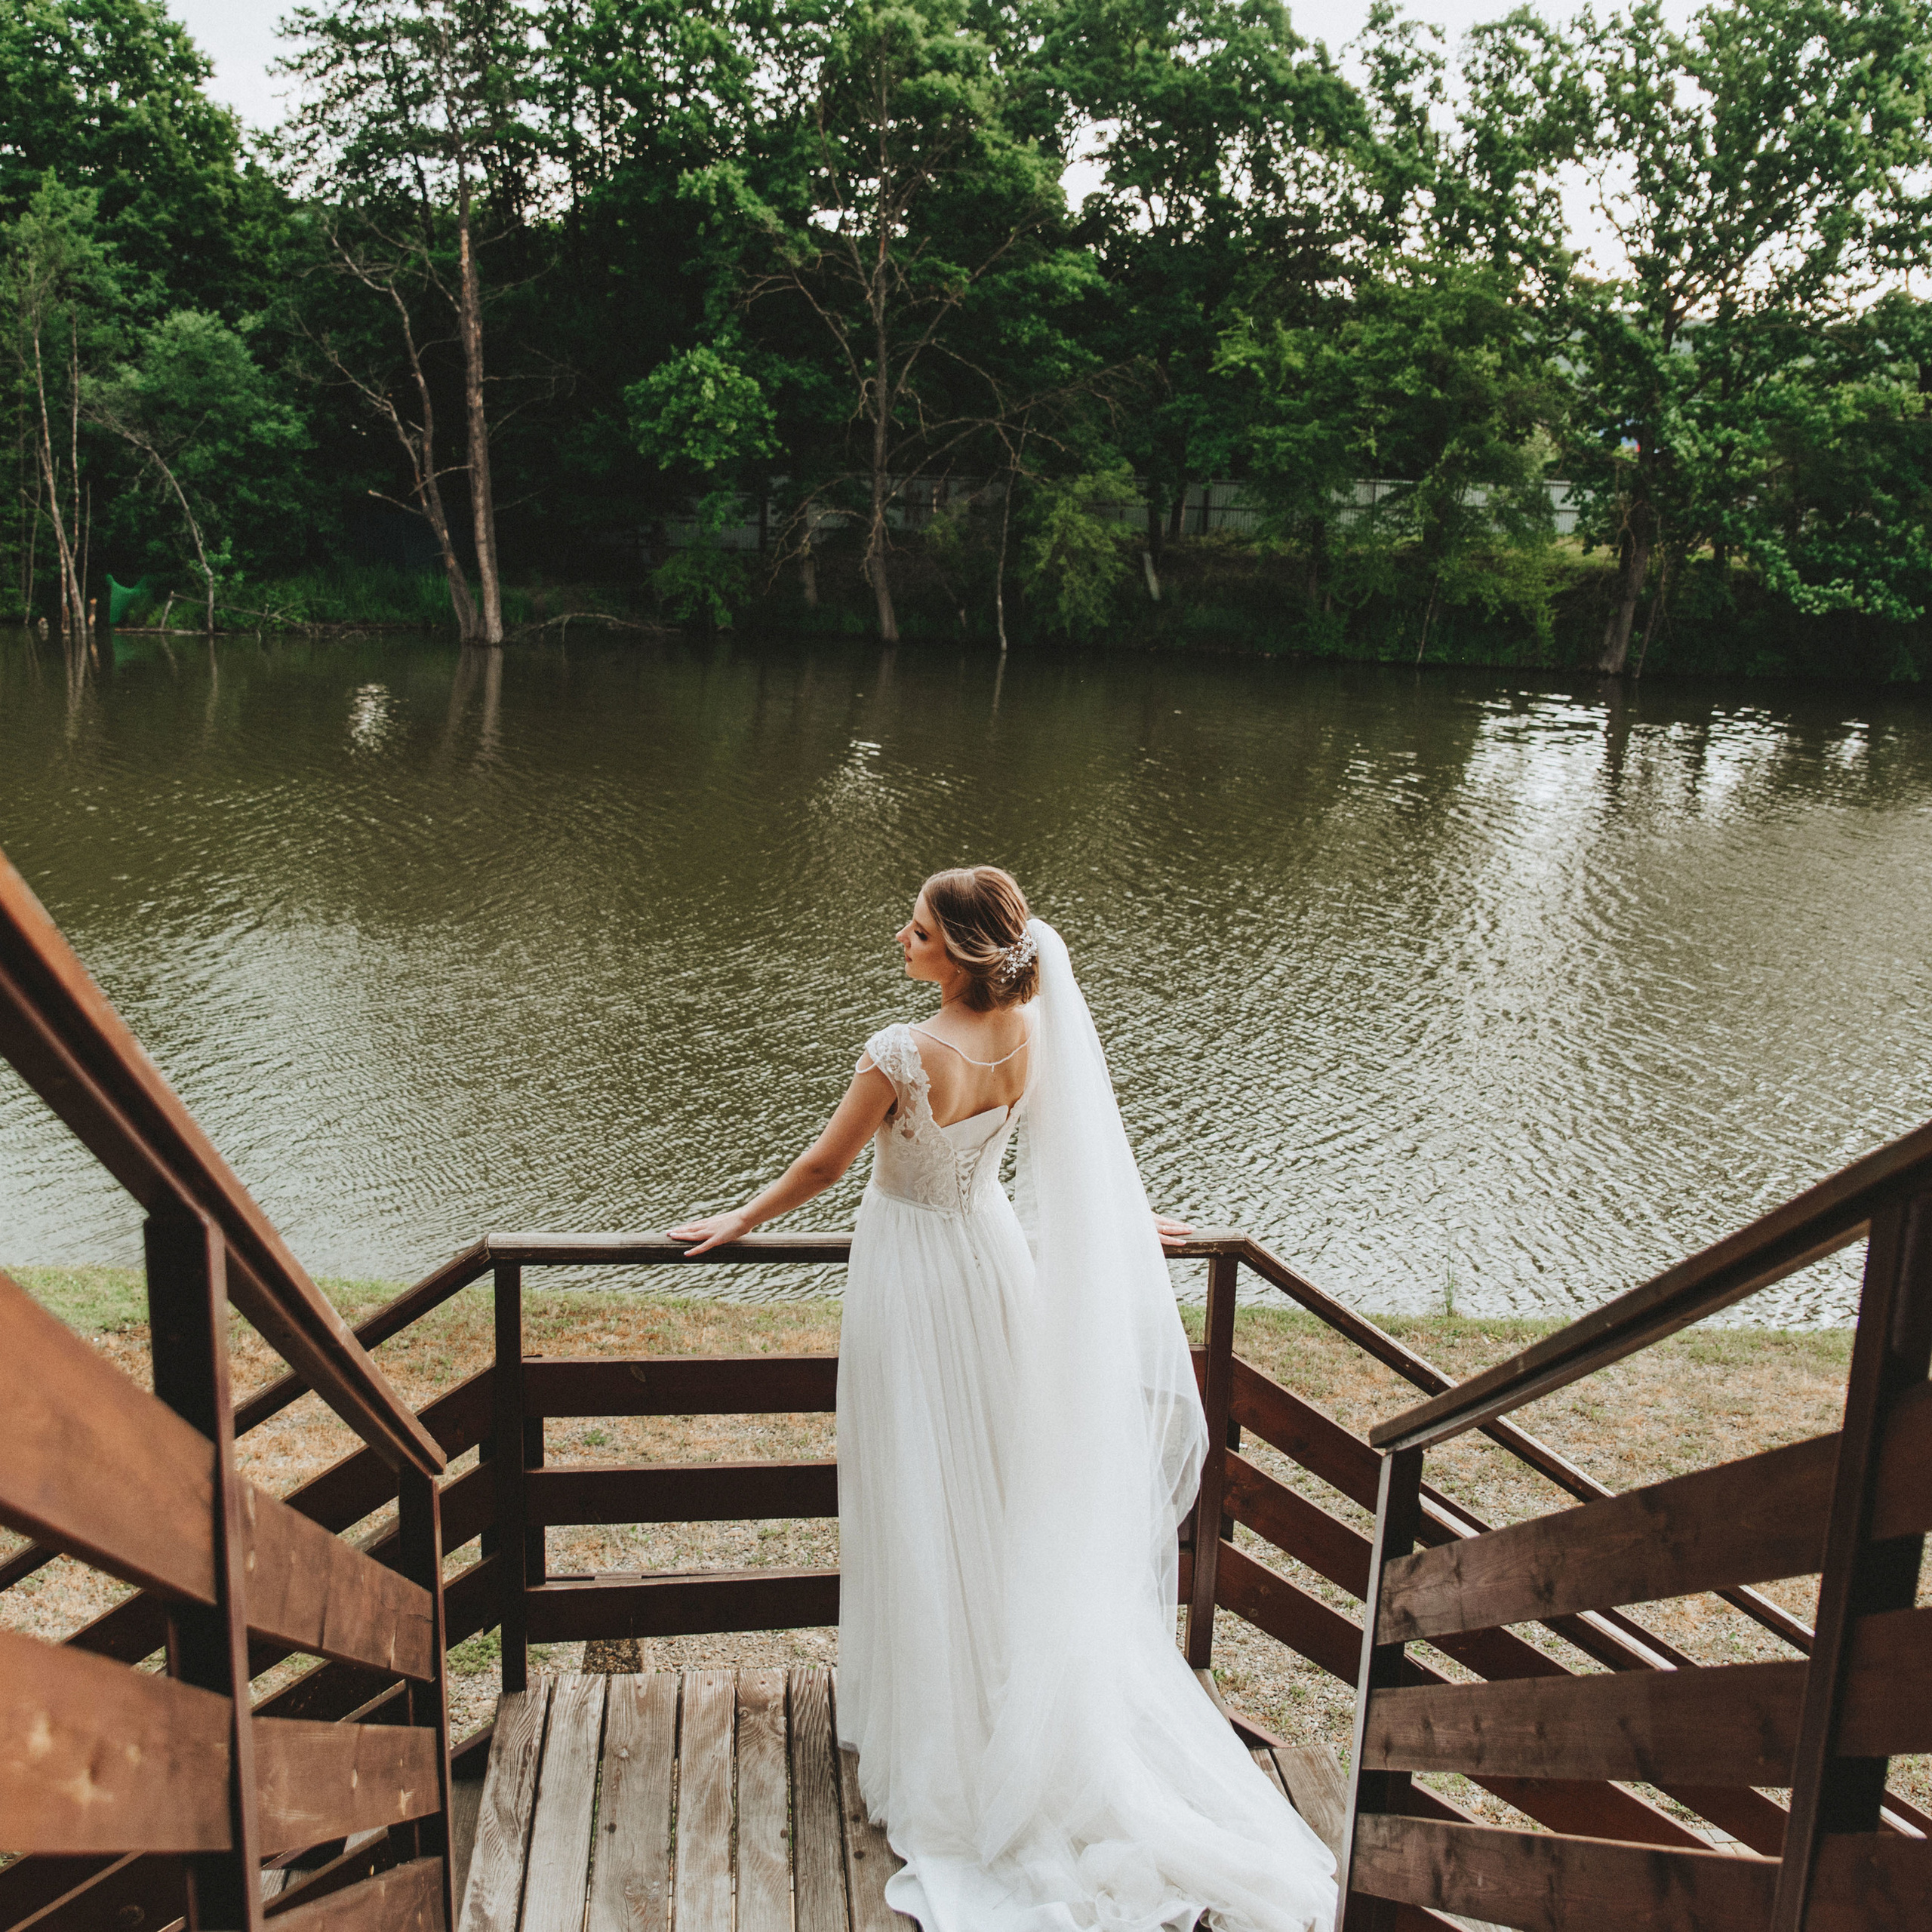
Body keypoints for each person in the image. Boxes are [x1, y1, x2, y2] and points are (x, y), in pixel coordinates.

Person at [671, 866, 1337, 1932]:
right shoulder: (1035, 1030)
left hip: (912, 1278)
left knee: (919, 1481)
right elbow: (1085, 1151)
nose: (903, 935)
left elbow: (823, 1166)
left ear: (959, 952)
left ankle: (941, 1723)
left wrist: (732, 1223)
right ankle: (1001, 1695)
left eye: (920, 927)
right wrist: (1137, 1219)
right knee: (995, 1476)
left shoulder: (900, 1052)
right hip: (991, 1266)